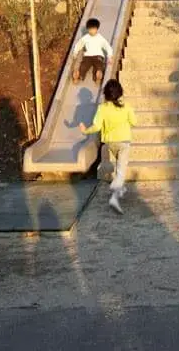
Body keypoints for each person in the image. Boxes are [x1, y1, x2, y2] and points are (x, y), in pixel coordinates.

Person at [80, 79, 135, 214]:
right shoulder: (126, 106)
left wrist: (85, 131)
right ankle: (115, 196)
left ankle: (120, 188)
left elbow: (97, 126)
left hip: (110, 143)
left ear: (105, 94)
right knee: (121, 170)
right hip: (124, 142)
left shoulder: (102, 108)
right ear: (120, 92)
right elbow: (134, 122)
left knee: (119, 166)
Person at [72, 18, 113, 83]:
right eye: (90, 29)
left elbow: (107, 46)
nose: (92, 31)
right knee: (83, 66)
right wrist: (75, 52)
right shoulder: (85, 38)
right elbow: (79, 44)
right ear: (88, 29)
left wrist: (109, 56)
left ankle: (98, 76)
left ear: (97, 29)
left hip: (98, 56)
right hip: (87, 56)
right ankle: (79, 75)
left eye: (93, 29)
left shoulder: (100, 38)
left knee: (99, 65)